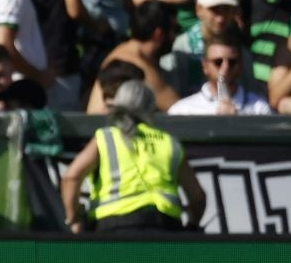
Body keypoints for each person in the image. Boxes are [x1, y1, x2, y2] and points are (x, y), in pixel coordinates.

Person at [61, 77, 205, 232]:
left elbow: (71, 177)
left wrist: (74, 219)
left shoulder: (106, 137)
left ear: (118, 104)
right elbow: (197, 197)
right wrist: (192, 224)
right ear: (151, 108)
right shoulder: (169, 142)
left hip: (114, 228)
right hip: (165, 227)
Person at [169, 32, 274, 115]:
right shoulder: (182, 110)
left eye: (232, 62)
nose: (225, 67)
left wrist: (237, 120)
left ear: (241, 65)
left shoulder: (259, 108)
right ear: (205, 66)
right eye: (218, 62)